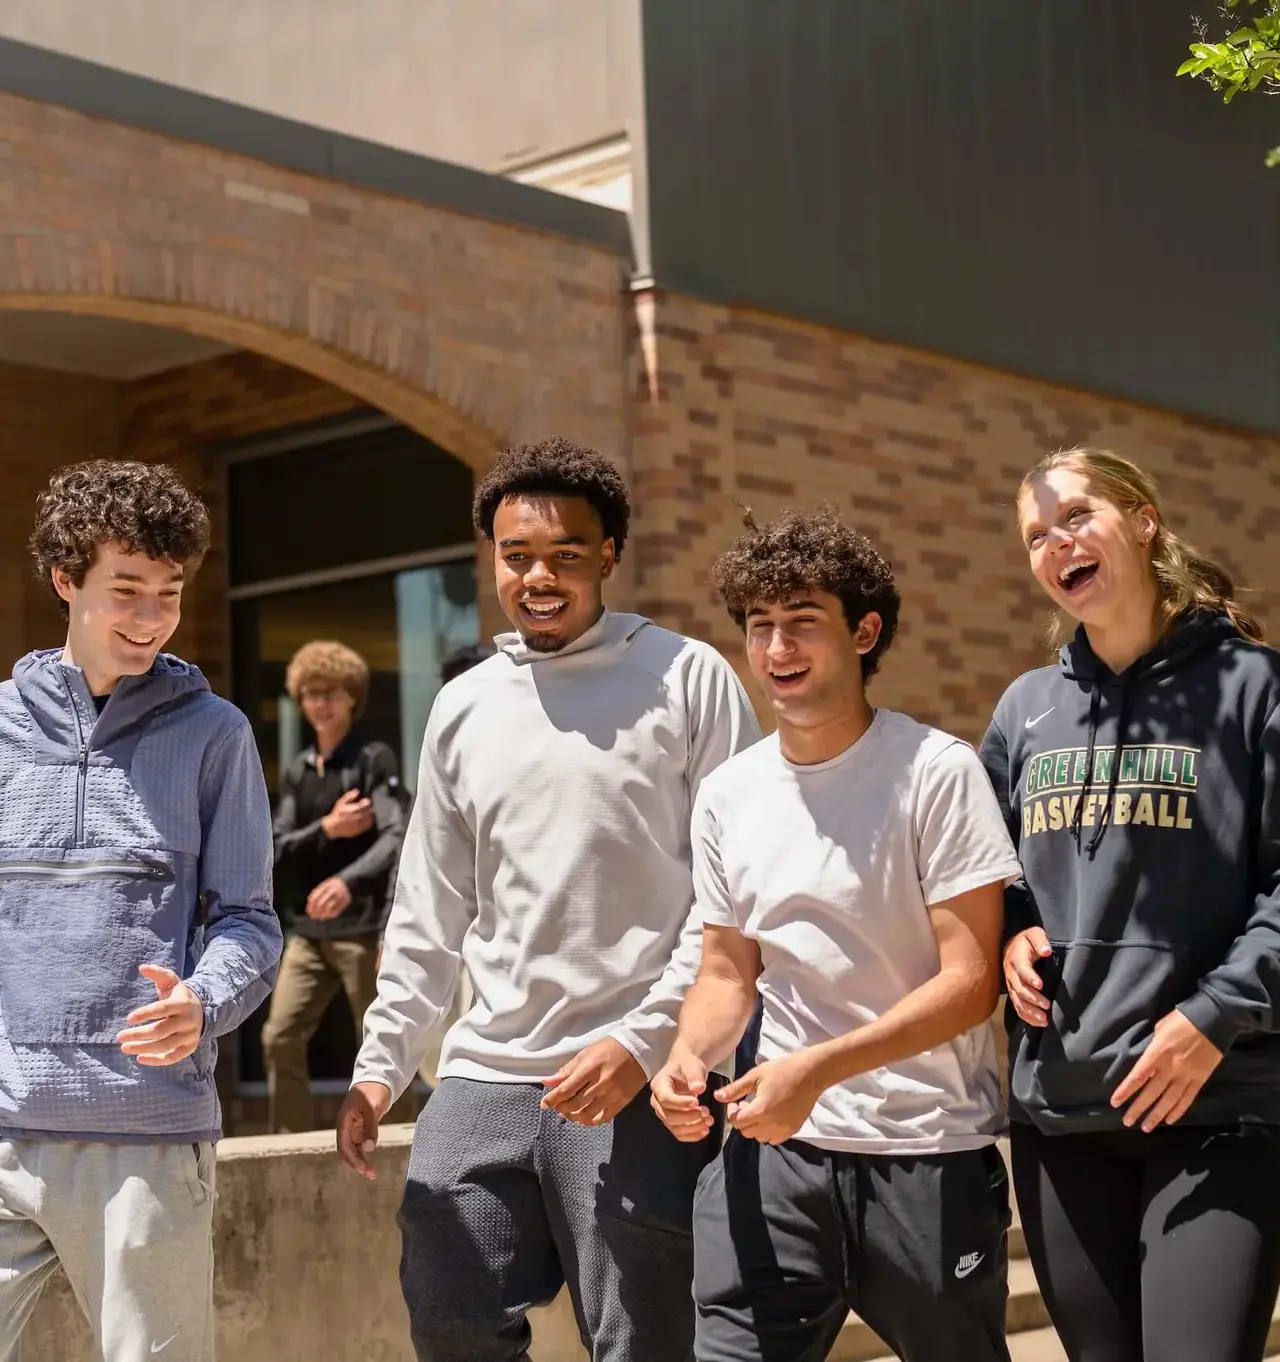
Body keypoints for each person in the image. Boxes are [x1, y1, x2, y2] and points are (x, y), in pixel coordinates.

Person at [336, 438, 759, 1362]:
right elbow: (430, 907)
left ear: (609, 555)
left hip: (638, 1074)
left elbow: (733, 899)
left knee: (645, 1340)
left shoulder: (690, 680)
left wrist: (648, 1043)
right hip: (487, 1069)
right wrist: (382, 1066)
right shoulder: (465, 705)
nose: (539, 576)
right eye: (516, 555)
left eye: (566, 554)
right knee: (449, 1309)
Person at [650, 506, 1023, 1362]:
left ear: (864, 631)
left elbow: (971, 983)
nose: (777, 648)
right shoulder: (728, 794)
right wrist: (688, 1058)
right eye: (760, 627)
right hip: (774, 1158)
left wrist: (817, 1071)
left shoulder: (936, 771)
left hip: (925, 1153)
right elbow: (725, 973)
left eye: (802, 623)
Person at [980, 446, 1280, 1362]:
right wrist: (1010, 933)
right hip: (1065, 1114)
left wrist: (1213, 1016)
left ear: (1143, 522)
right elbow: (988, 875)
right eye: (1038, 534)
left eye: (1076, 517)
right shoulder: (1026, 709)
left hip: (1219, 1101)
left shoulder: (1252, 687)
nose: (1056, 544)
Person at [0, 459, 281, 1362]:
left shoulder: (215, 735)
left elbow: (249, 919)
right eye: (127, 590)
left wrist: (203, 1001)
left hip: (146, 1137)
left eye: (168, 593)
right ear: (65, 580)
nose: (152, 618)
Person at [262, 640, 408, 1133]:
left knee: (380, 1043)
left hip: (362, 929)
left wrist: (347, 881)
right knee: (280, 1035)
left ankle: (395, 1146)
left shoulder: (372, 759)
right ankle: (289, 1145)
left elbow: (398, 835)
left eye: (331, 692)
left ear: (352, 697)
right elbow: (275, 846)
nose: (319, 703)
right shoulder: (300, 768)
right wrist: (328, 828)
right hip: (308, 931)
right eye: (309, 693)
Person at [415, 642, 494, 1089]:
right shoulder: (447, 759)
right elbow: (422, 855)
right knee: (441, 1053)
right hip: (458, 932)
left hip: (501, 939)